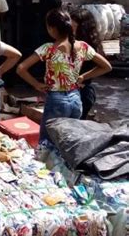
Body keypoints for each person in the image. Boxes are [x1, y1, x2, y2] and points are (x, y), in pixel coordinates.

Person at [17, 8, 112, 143]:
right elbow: (106, 66)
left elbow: (21, 68)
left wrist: (36, 84)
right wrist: (83, 77)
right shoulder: (82, 46)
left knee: (47, 141)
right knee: (70, 141)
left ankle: (48, 164)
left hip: (56, 99)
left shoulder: (48, 48)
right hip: (75, 99)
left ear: (51, 28)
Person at [70, 7, 105, 120]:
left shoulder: (85, 47)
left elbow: (105, 67)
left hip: (82, 93)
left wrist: (83, 77)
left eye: (73, 27)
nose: (69, 30)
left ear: (82, 28)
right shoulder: (71, 42)